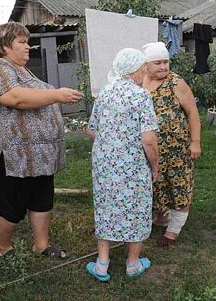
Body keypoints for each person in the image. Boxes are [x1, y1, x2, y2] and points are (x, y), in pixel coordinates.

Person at [0, 22, 83, 260]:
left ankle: (41, 244)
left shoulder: (23, 70)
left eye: (28, 42)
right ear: (5, 46)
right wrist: (56, 94)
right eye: (22, 42)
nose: (28, 47)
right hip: (15, 155)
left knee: (41, 198)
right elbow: (15, 98)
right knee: (12, 202)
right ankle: (2, 247)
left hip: (40, 153)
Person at [85, 48, 159, 282]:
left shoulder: (105, 93)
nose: (146, 72)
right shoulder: (141, 96)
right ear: (136, 70)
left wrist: (112, 143)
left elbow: (91, 129)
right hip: (133, 164)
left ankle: (102, 264)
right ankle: (132, 263)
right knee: (136, 207)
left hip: (105, 164)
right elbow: (148, 139)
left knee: (106, 205)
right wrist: (155, 166)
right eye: (144, 68)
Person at [142, 42, 201, 246]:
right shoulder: (140, 84)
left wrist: (195, 142)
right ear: (146, 64)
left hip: (177, 148)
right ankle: (161, 217)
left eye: (166, 62)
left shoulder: (176, 82)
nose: (163, 67)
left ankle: (173, 230)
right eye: (158, 62)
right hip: (152, 149)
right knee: (156, 185)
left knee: (178, 185)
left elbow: (192, 112)